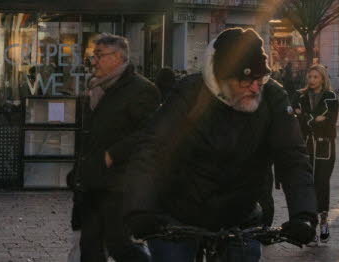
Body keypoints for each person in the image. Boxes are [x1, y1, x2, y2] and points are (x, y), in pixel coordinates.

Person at [122, 28, 317, 261]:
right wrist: (139, 209)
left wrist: (304, 214)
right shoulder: (189, 92)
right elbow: (152, 148)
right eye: (246, 81)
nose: (255, 88)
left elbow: (292, 156)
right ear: (222, 78)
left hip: (240, 213)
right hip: (178, 210)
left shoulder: (273, 97)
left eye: (260, 79)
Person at [75, 33, 160, 262]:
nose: (93, 61)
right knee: (89, 247)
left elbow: (149, 133)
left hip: (120, 184)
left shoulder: (141, 89)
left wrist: (113, 154)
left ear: (117, 57)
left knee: (119, 244)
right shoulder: (96, 88)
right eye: (93, 55)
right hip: (93, 182)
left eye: (99, 55)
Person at [294, 64, 338, 242]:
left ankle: (324, 220)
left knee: (322, 183)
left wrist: (305, 117)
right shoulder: (300, 96)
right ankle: (311, 224)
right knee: (308, 185)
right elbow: (296, 120)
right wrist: (314, 119)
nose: (312, 80)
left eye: (315, 77)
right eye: (310, 77)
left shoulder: (331, 97)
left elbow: (330, 122)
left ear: (322, 79)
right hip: (306, 146)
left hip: (325, 147)